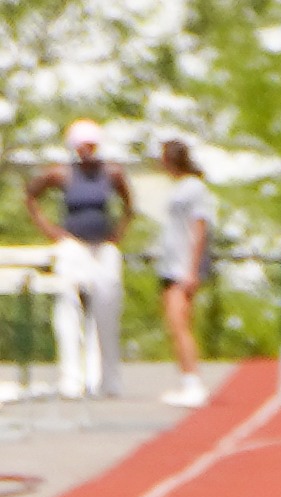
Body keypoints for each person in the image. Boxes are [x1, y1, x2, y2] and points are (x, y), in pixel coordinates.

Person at [26, 119, 131, 399]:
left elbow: (129, 205)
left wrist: (118, 233)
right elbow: (32, 195)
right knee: (68, 309)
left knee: (107, 311)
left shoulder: (112, 172)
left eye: (92, 144)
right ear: (73, 146)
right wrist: (51, 230)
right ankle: (71, 378)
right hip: (72, 246)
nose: (87, 149)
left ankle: (108, 379)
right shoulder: (61, 174)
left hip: (103, 247)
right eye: (82, 145)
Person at [155, 139, 215, 408]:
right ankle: (186, 378)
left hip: (183, 265)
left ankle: (193, 381)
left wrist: (192, 269)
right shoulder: (179, 188)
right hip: (170, 263)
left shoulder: (195, 189)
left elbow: (200, 227)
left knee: (179, 322)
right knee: (175, 323)